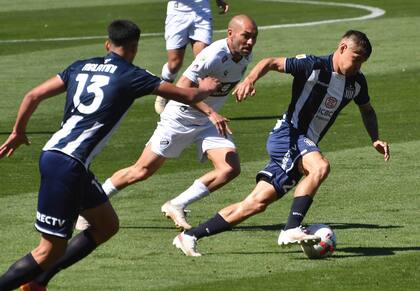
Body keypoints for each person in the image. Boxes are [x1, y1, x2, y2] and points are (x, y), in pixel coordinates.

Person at [0, 19, 218, 291]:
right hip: (67, 165)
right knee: (48, 250)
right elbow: (187, 94)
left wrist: (18, 132)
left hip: (64, 159)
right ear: (135, 47)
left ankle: (37, 282)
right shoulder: (132, 75)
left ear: (107, 44)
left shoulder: (79, 66)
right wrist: (207, 88)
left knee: (106, 225)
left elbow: (33, 95)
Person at [172, 29, 391, 257]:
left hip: (301, 147)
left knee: (255, 204)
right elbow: (270, 62)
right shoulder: (313, 65)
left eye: (362, 63)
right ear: (343, 48)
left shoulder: (356, 83)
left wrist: (374, 138)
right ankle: (291, 228)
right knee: (320, 166)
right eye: (356, 60)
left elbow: (367, 110)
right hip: (288, 135)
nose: (358, 67)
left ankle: (189, 236)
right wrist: (249, 80)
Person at [76, 15, 258, 232]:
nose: (250, 42)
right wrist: (211, 112)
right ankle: (88, 207)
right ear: (230, 34)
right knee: (141, 170)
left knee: (230, 168)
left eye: (253, 37)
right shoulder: (214, 55)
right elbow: (182, 86)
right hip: (179, 118)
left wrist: (248, 83)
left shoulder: (244, 54)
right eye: (245, 36)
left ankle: (177, 204)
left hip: (207, 122)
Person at [154, 0, 229, 114]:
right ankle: (164, 89)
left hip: (202, 10)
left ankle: (200, 104)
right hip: (178, 12)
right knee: (174, 64)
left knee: (203, 59)